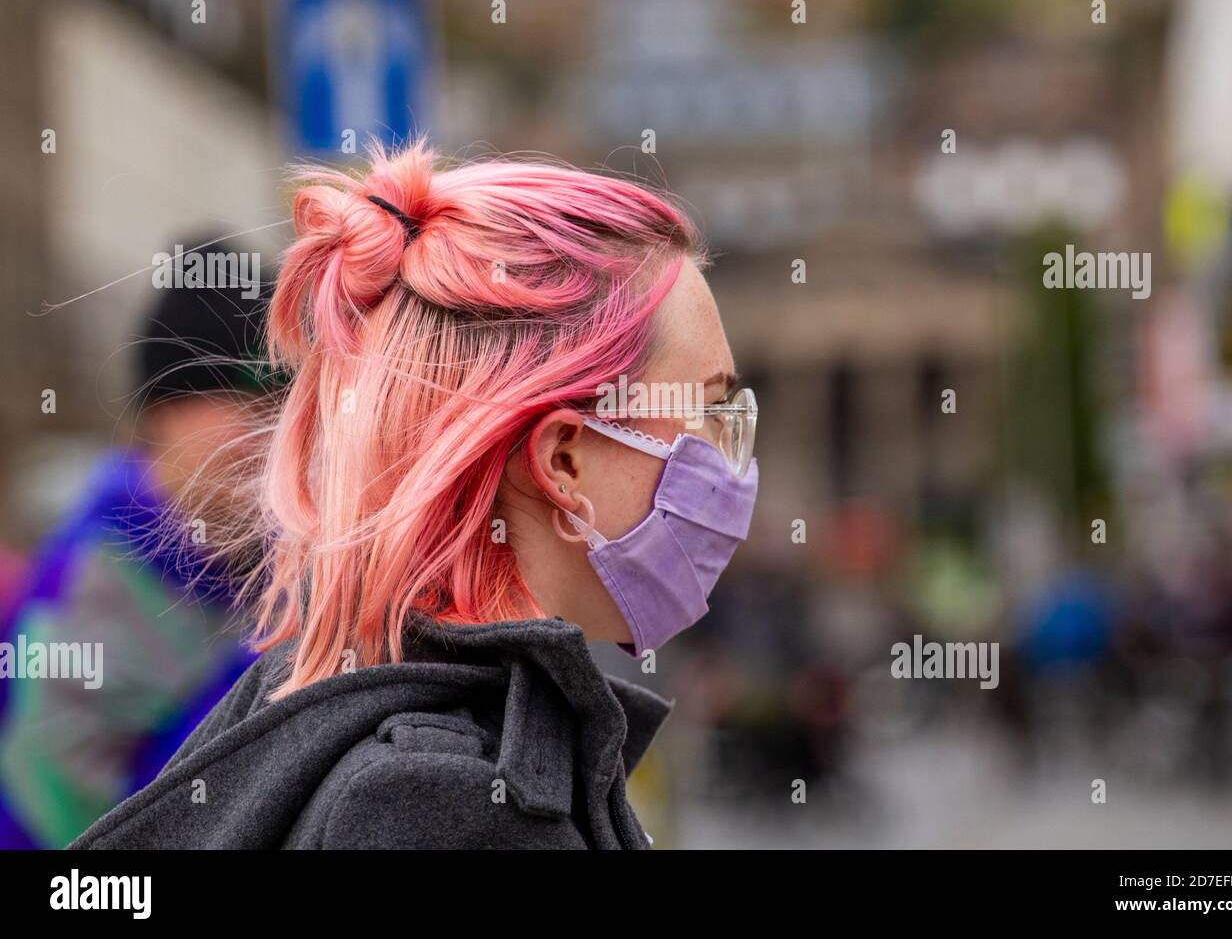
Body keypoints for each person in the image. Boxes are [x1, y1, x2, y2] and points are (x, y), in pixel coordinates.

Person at [68, 139, 759, 849]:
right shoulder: (456, 807)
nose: (734, 459)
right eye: (711, 409)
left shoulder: (375, 718)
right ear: (563, 460)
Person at [0, 236, 276, 848]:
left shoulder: (281, 563)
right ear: (161, 411)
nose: (271, 424)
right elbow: (55, 834)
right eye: (242, 390)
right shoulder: (89, 587)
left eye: (285, 395)